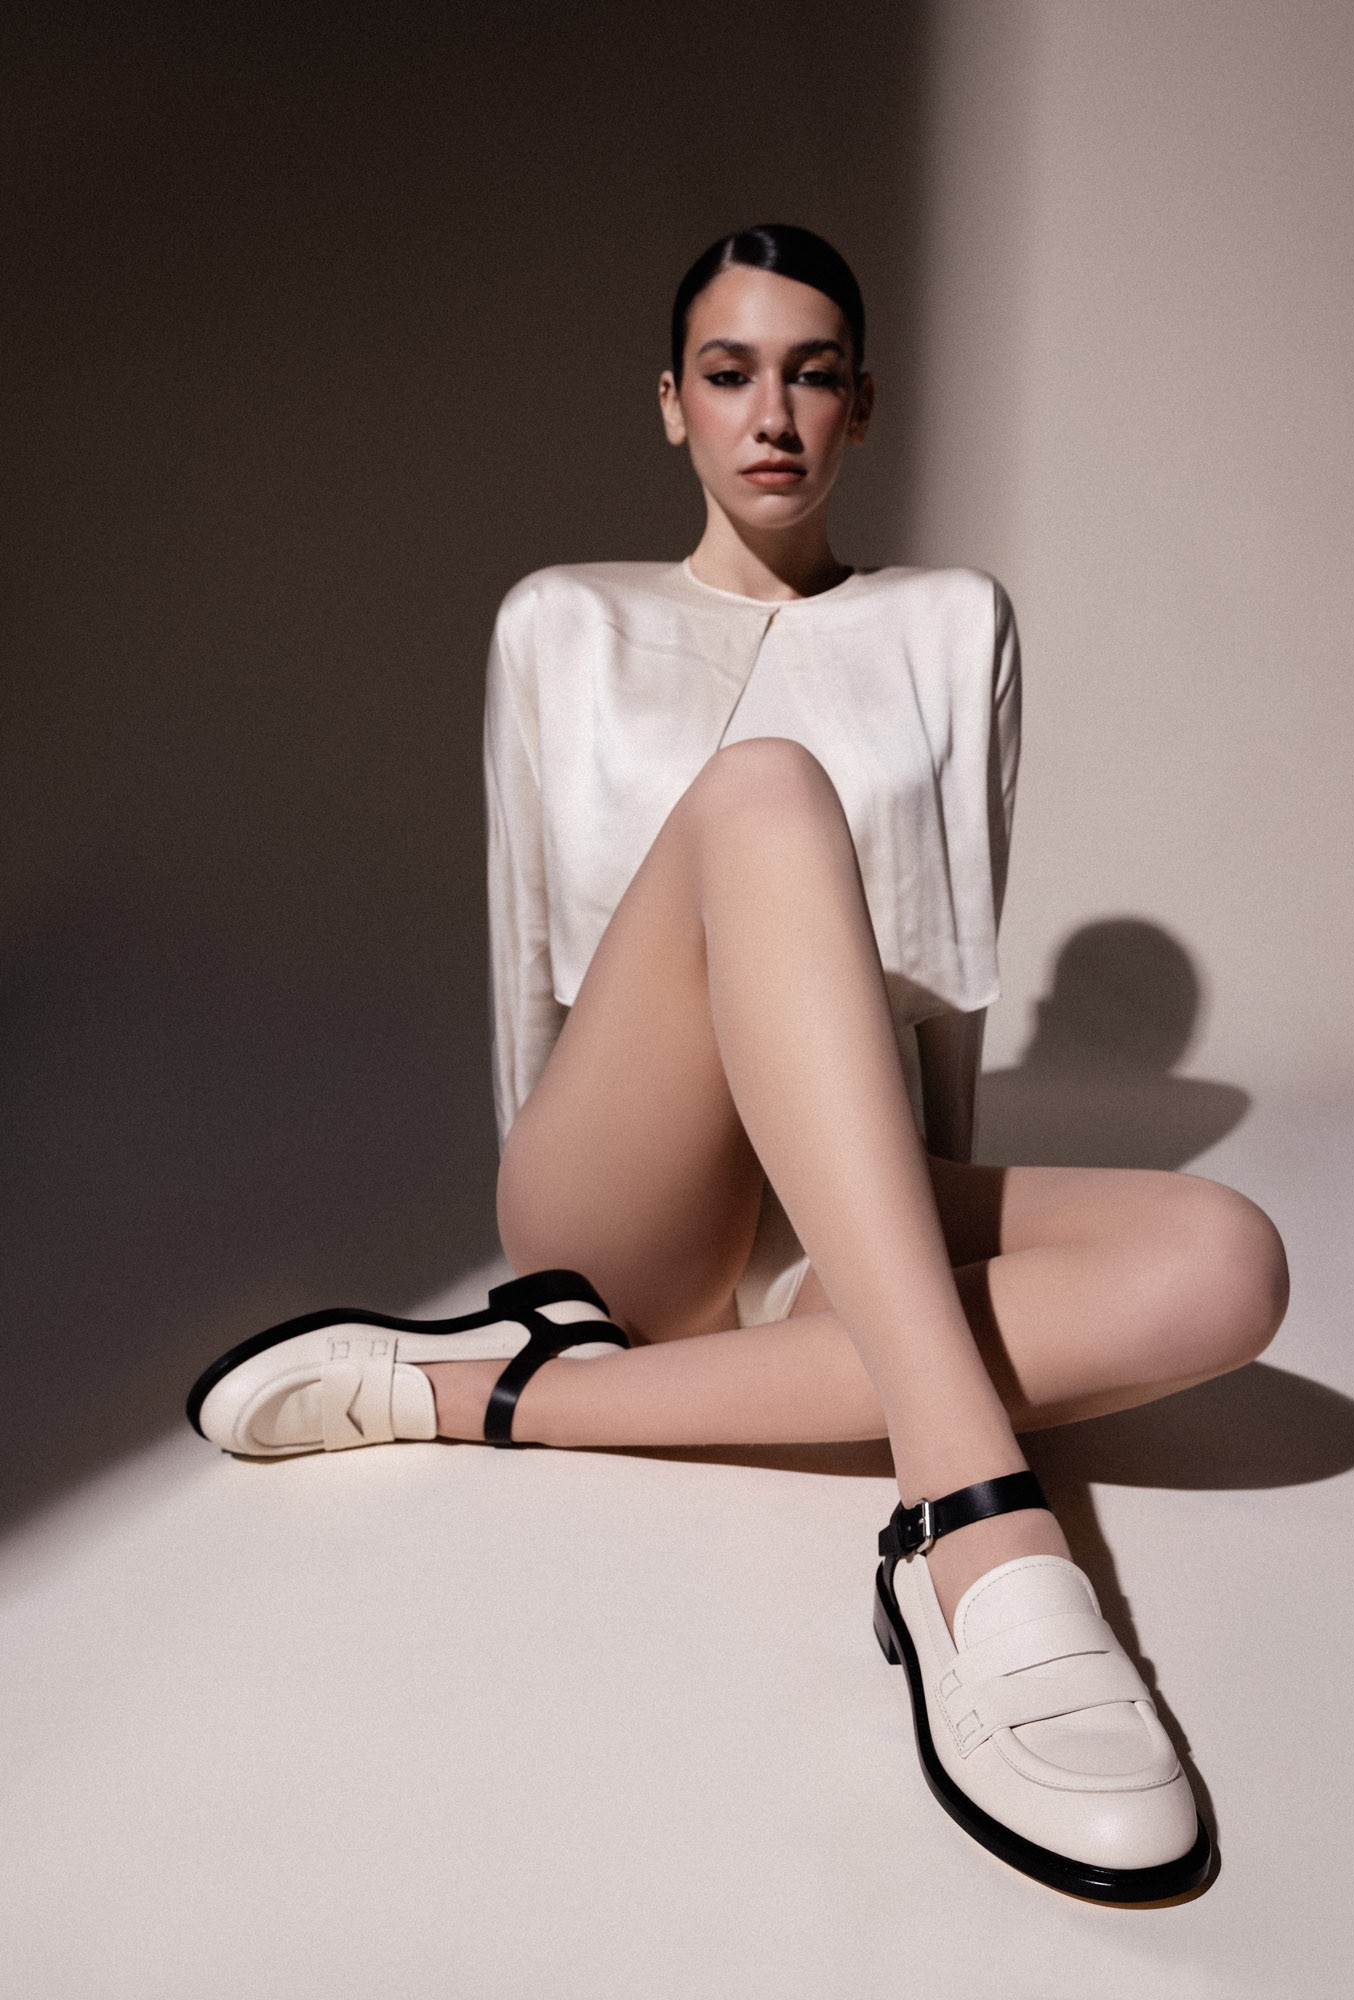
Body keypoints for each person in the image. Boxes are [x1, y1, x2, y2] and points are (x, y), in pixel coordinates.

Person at [187, 224, 1289, 1903]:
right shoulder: (564, 620)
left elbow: (951, 982)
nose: (771, 415)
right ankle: (968, 1522)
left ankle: (486, 1394)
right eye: (730, 374)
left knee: (1225, 1260)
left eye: (812, 374)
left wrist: (891, 1245)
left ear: (861, 404)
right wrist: (541, 1271)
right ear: (672, 403)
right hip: (621, 1197)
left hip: (828, 1197)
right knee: (764, 791)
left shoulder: (951, 624)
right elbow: (522, 955)